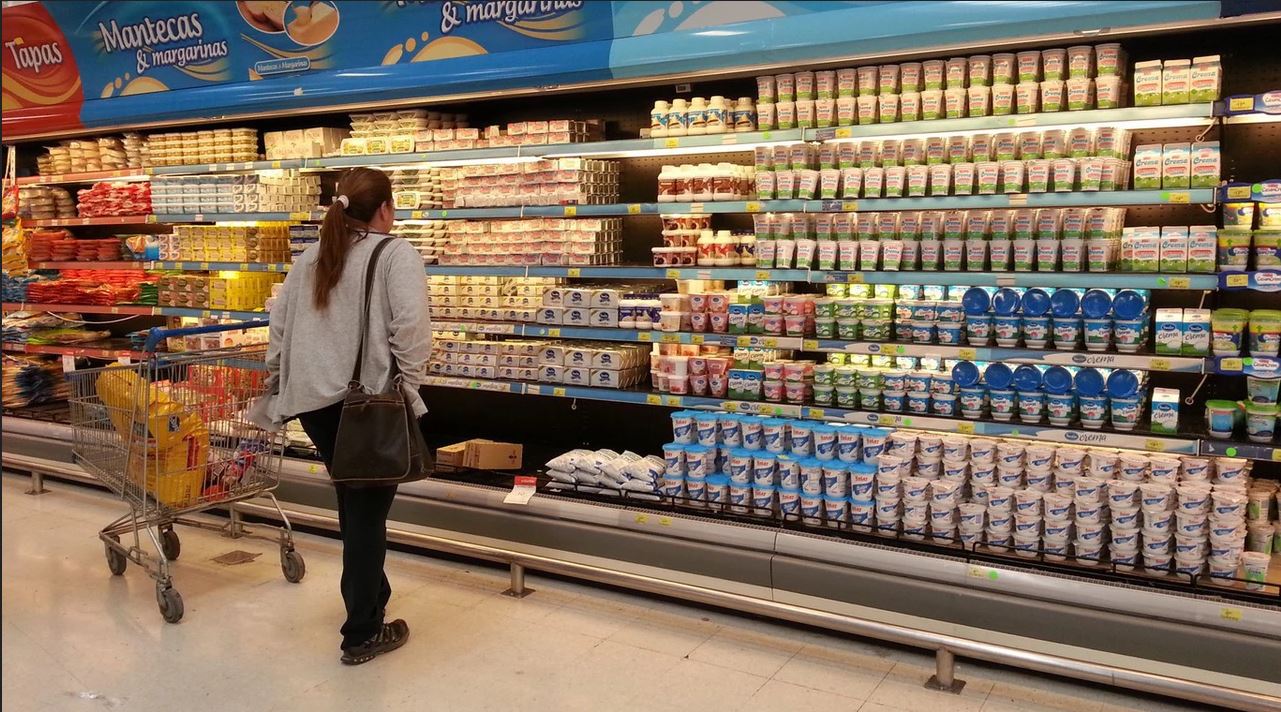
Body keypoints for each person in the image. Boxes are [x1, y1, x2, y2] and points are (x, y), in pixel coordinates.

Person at [256, 167, 431, 664]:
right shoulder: (396, 254)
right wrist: (405, 389)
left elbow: (280, 328)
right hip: (367, 405)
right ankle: (361, 633)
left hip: (314, 404)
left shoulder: (311, 256)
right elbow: (412, 331)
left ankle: (373, 600)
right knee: (367, 515)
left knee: (353, 505)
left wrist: (279, 384)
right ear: (384, 209)